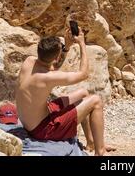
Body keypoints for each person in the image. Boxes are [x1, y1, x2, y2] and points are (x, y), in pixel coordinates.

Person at [16, 28, 115, 156]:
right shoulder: (47, 77)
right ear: (56, 57)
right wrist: (82, 44)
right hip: (43, 129)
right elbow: (84, 74)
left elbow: (52, 65)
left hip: (33, 120)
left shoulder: (29, 61)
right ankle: (99, 152)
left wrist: (66, 46)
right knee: (96, 100)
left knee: (84, 93)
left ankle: (91, 142)